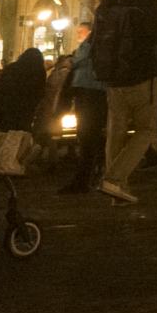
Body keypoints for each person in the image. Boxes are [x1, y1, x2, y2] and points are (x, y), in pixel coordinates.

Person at [91, 0, 157, 204]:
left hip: (113, 78)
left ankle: (117, 190)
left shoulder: (108, 1)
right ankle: (113, 178)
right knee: (146, 130)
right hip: (140, 75)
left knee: (116, 132)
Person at [57, 21, 108, 194]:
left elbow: (81, 59)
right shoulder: (100, 41)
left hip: (90, 92)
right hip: (93, 91)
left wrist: (72, 59)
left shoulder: (93, 42)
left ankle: (83, 180)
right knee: (91, 136)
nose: (79, 34)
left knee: (87, 136)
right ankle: (92, 176)